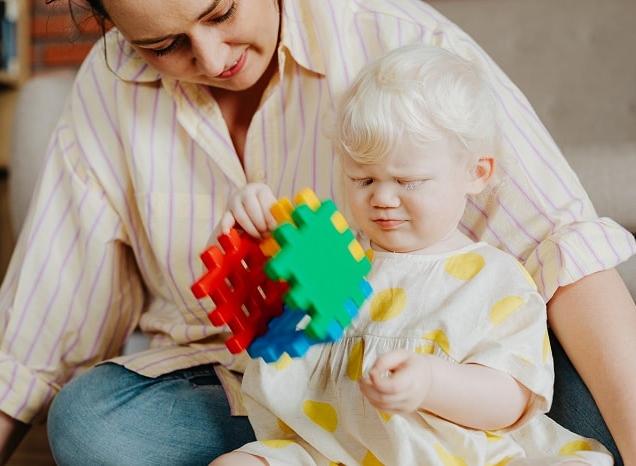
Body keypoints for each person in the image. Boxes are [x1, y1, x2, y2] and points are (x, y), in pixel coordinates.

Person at [0, 0, 636, 464]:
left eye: (220, 10)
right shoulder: (110, 84)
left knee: (580, 401)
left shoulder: (401, 39)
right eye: (163, 45)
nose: (214, 56)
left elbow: (564, 248)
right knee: (91, 423)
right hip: (278, 388)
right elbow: (43, 318)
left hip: (453, 375)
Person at [210, 44, 613, 466]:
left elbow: (511, 401)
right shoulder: (336, 262)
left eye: (409, 181)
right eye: (362, 178)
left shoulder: (494, 279)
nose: (383, 197)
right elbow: (272, 334)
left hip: (451, 455)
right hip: (326, 450)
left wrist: (432, 384)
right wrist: (258, 222)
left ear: (476, 173)